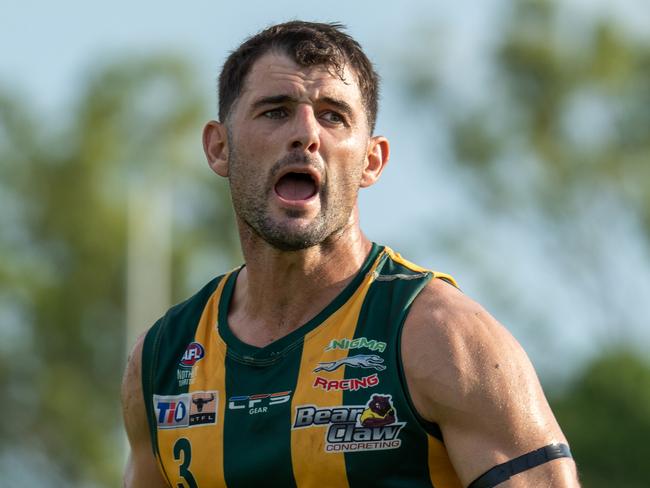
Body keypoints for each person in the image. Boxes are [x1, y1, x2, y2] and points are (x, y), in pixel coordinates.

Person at [121, 21, 580, 488]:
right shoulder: (162, 358)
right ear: (220, 148)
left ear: (371, 160)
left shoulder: (443, 337)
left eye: (333, 115)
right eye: (275, 111)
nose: (306, 134)